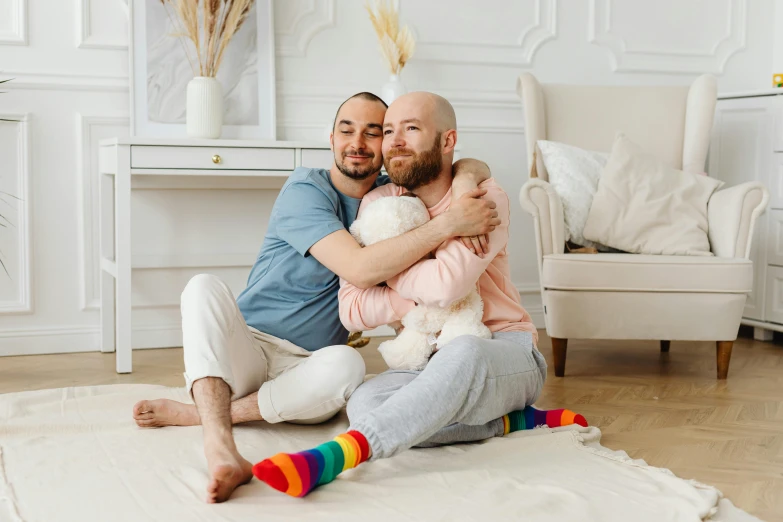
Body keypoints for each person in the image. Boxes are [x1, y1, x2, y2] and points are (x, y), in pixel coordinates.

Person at [131, 91, 501, 503]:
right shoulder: (305, 189)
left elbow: (463, 163)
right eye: (347, 130)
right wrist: (450, 222)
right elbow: (359, 268)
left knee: (349, 364)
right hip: (248, 346)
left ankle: (199, 411)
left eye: (372, 132)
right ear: (331, 138)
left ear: (387, 145)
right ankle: (219, 445)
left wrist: (467, 178)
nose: (357, 143)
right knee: (201, 286)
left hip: (311, 368)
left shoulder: (392, 198)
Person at [252, 92, 588, 498]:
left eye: (410, 129)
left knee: (464, 350)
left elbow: (448, 286)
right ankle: (509, 423)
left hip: (505, 350)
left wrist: (385, 267)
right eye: (389, 130)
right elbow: (353, 309)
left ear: (447, 141)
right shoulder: (378, 204)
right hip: (426, 360)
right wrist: (415, 258)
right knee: (365, 402)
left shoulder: (481, 199)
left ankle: (341, 455)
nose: (394, 141)